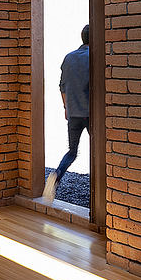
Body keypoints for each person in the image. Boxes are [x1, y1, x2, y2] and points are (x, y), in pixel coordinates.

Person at [44, 24, 90, 203]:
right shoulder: (93, 58)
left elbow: (62, 86)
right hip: (90, 113)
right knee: (101, 151)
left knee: (72, 151)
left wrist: (66, 108)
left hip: (73, 112)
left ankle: (56, 176)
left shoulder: (69, 58)